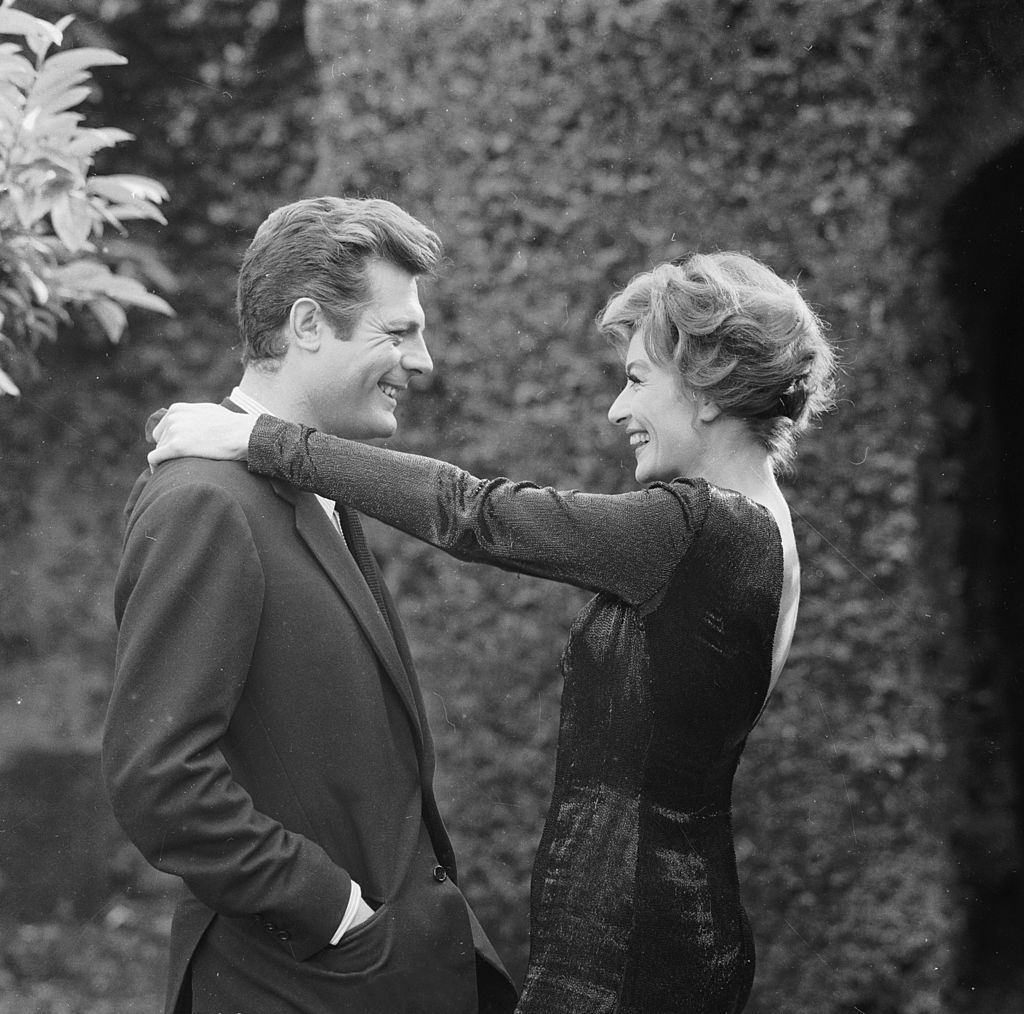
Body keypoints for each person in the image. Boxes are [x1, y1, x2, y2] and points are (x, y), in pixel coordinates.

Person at [148, 251, 836, 1013]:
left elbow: (473, 512)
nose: (617, 408)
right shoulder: (764, 524)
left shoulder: (698, 527)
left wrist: (260, 440)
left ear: (706, 389)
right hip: (660, 915)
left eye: (637, 379)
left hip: (630, 939)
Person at [103, 196, 517, 1014]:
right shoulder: (206, 501)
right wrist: (334, 912)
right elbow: (160, 780)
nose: (424, 361)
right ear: (306, 324)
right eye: (398, 333)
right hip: (297, 985)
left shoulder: (313, 485)